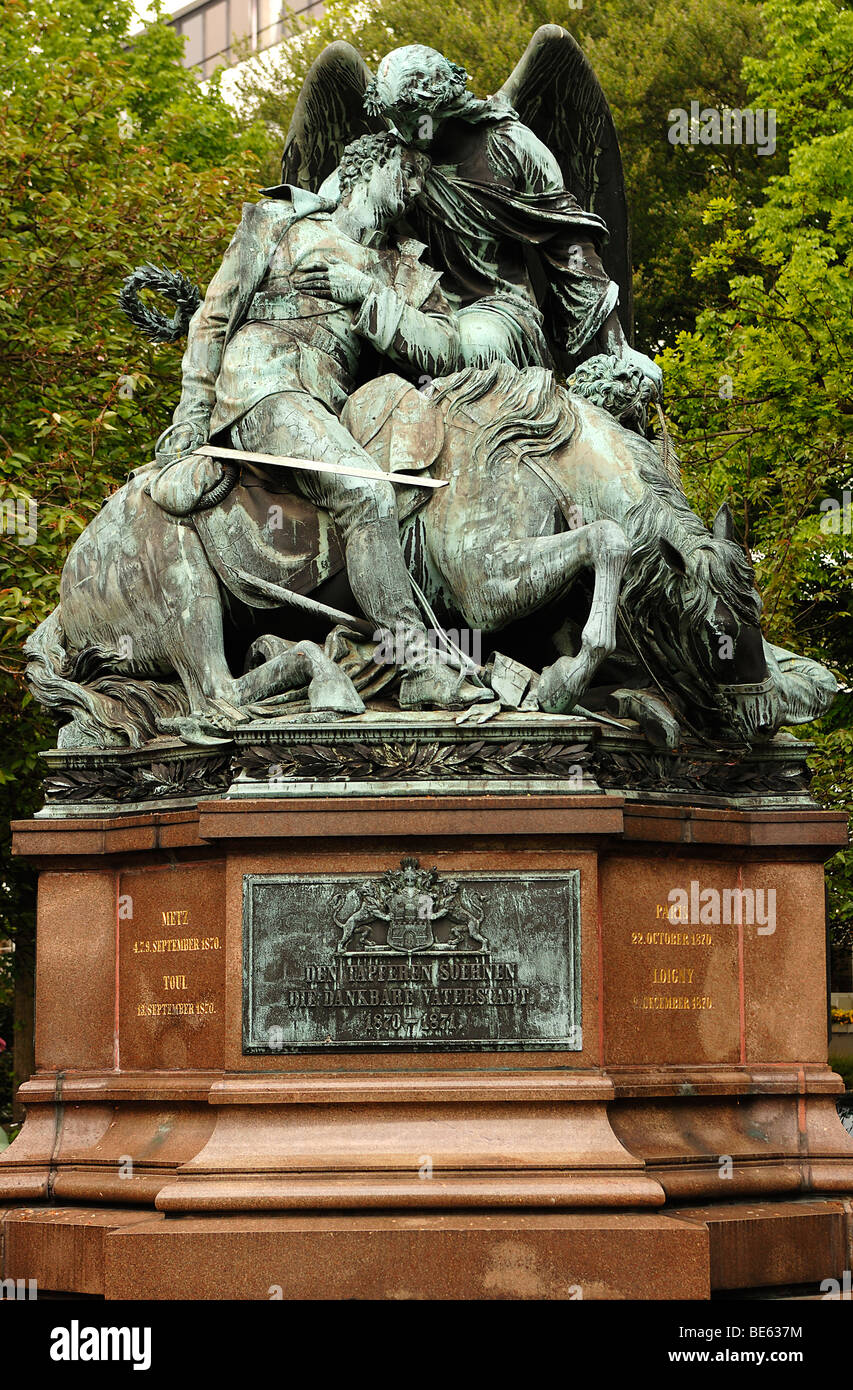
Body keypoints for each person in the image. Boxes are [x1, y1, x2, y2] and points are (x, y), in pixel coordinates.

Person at [161, 131, 479, 710]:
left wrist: (366, 295)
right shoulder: (282, 222)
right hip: (266, 388)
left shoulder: (405, 271)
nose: (414, 191)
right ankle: (415, 666)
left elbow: (447, 350)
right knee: (366, 494)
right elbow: (212, 319)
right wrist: (190, 416)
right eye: (406, 174)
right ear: (370, 166)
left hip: (338, 410)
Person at [345, 45, 661, 390]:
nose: (403, 131)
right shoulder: (387, 159)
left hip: (496, 312)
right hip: (412, 308)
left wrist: (617, 346)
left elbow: (572, 250)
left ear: (443, 103)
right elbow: (330, 220)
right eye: (395, 119)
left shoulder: (511, 147)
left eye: (413, 119)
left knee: (474, 346)